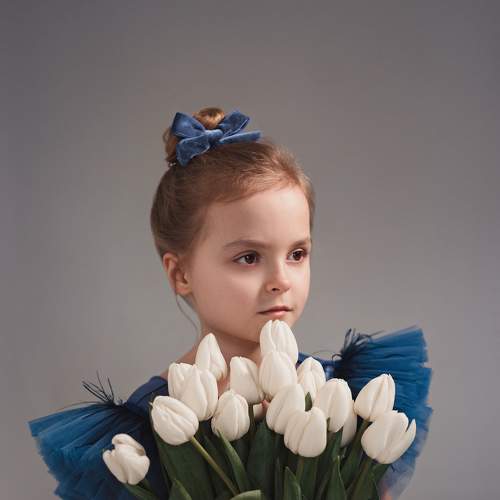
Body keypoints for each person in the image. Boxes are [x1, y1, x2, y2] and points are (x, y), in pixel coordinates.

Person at [27, 107, 432, 499]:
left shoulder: (341, 396)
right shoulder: (153, 422)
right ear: (181, 274)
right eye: (249, 258)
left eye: (297, 254)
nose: (281, 280)